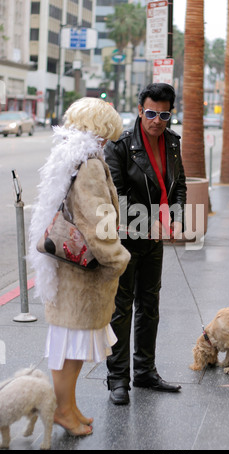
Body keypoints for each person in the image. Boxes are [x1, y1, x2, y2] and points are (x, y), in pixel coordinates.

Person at [28, 97, 130, 436]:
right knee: (70, 350)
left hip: (67, 273)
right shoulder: (89, 164)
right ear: (102, 128)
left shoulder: (73, 155)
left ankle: (68, 407)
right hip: (81, 275)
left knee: (70, 347)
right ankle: (62, 411)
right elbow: (96, 219)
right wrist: (118, 259)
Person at [104, 83, 187, 405]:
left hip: (153, 239)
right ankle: (117, 379)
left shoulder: (173, 143)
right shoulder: (121, 145)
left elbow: (178, 185)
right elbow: (116, 194)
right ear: (140, 110)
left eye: (164, 114)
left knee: (150, 305)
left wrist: (177, 217)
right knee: (121, 308)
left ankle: (145, 372)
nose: (157, 120)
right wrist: (145, 223)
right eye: (151, 113)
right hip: (125, 238)